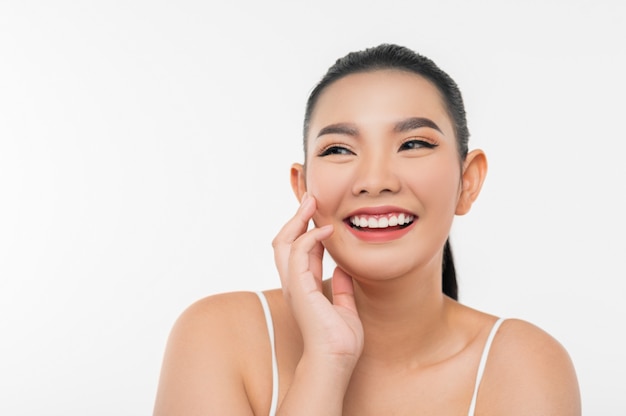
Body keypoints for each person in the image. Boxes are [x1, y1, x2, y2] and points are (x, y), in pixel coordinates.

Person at [153, 43, 581, 415]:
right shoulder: (217, 337)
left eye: (413, 144)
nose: (375, 180)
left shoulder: (523, 364)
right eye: (339, 149)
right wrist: (326, 361)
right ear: (302, 187)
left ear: (467, 182)